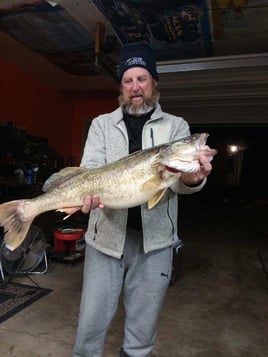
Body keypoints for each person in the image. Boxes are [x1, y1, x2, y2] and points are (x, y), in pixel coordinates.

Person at [72, 42, 213, 357]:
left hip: (156, 246)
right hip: (105, 240)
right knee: (90, 324)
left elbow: (179, 184)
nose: (135, 87)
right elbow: (88, 172)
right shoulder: (101, 125)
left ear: (154, 83)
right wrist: (83, 199)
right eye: (128, 80)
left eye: (142, 79)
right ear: (121, 87)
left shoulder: (176, 127)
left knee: (142, 328)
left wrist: (193, 179)